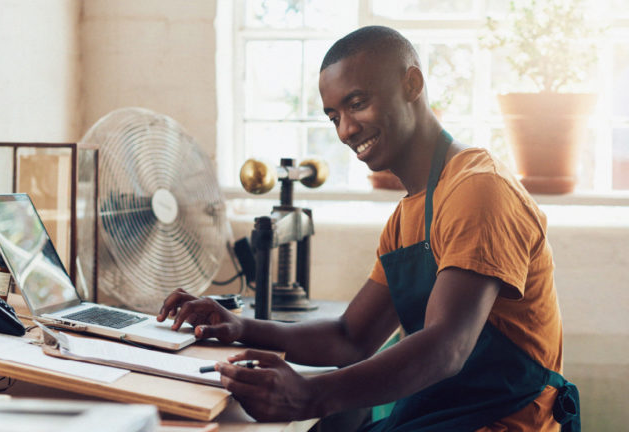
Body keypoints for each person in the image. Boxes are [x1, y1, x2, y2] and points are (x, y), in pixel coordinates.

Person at [158, 26, 579, 431]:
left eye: (357, 103)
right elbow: (351, 337)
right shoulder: (407, 216)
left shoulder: (478, 189)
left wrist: (310, 395)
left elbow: (447, 348)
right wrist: (239, 326)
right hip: (439, 417)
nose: (345, 130)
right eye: (333, 116)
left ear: (412, 84)